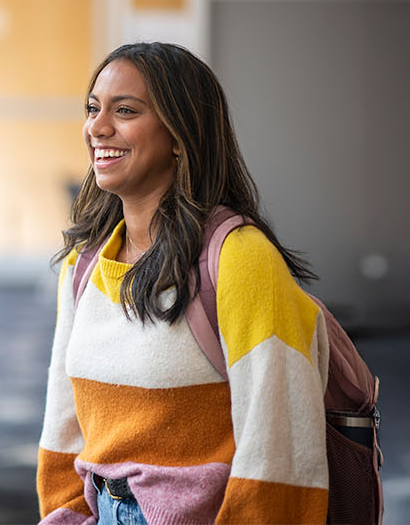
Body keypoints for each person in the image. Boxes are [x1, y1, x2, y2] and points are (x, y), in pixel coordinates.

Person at [36, 42, 329, 524]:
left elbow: (280, 448)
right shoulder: (83, 264)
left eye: (124, 111)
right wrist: (65, 515)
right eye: (93, 109)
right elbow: (62, 424)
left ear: (179, 134)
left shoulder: (240, 259)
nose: (97, 127)